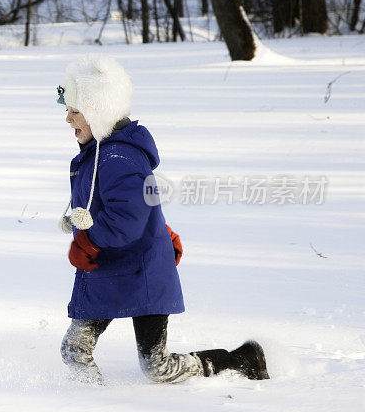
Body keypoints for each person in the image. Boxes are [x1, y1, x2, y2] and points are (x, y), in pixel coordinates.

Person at [56, 55, 269, 385]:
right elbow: (140, 203)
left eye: (75, 110)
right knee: (74, 350)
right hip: (112, 269)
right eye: (67, 108)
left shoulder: (117, 158)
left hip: (141, 271)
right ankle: (91, 402)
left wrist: (88, 240)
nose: (67, 119)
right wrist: (159, 229)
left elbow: (127, 217)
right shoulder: (100, 152)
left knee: (157, 367)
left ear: (98, 111)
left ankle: (243, 360)